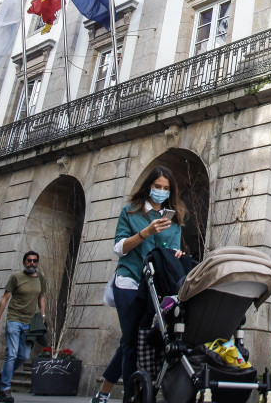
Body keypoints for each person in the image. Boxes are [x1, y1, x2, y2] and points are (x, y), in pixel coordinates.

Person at [91, 165, 187, 403]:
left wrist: (177, 254)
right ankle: (131, 397)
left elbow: (170, 250)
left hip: (155, 287)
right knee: (132, 340)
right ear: (149, 187)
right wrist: (145, 232)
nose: (161, 192)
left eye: (166, 188)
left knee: (131, 340)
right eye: (157, 187)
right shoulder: (131, 212)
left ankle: (102, 393)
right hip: (129, 281)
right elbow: (119, 247)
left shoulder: (172, 219)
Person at [0, 251, 46, 403]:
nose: (32, 263)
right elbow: (4, 299)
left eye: (35, 261)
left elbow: (42, 297)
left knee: (23, 356)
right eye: (29, 260)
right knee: (12, 354)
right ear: (24, 262)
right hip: (14, 320)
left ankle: (0, 376)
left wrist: (42, 315)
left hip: (29, 323)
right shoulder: (16, 277)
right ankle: (5, 390)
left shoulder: (40, 278)